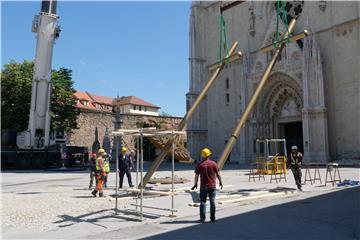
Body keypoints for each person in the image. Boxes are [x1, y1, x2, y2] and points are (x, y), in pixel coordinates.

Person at [191, 148, 223, 223]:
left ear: (202, 156)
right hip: (212, 186)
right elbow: (218, 174)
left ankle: (202, 218)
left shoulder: (200, 164)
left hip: (203, 187)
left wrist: (195, 184)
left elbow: (196, 175)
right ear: (209, 155)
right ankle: (212, 218)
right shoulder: (213, 164)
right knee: (212, 202)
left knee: (203, 202)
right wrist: (221, 182)